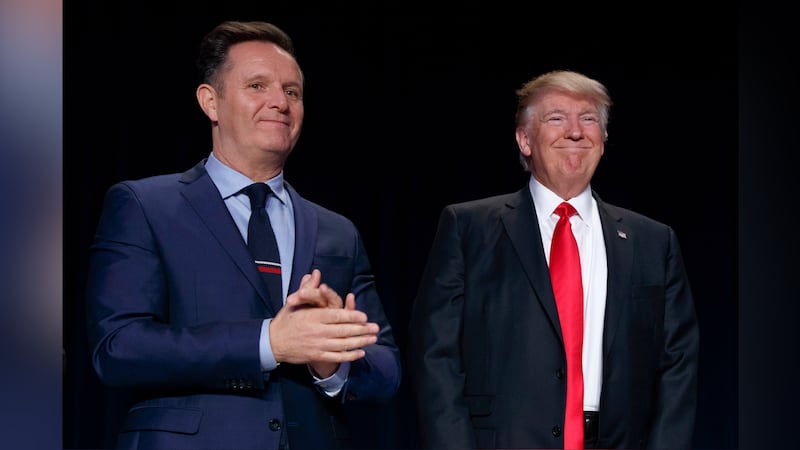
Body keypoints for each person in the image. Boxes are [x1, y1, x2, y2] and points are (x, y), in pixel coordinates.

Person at [85, 20, 401, 450]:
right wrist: (269, 342)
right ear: (210, 102)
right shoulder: (144, 205)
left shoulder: (336, 231)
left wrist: (330, 364)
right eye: (257, 86)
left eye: (292, 92)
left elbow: (385, 369)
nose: (279, 102)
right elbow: (118, 349)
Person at [407, 70, 699, 449]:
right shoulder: (468, 229)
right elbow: (435, 358)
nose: (575, 131)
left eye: (589, 118)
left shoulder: (653, 241)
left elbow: (678, 366)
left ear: (604, 139)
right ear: (524, 139)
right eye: (557, 118)